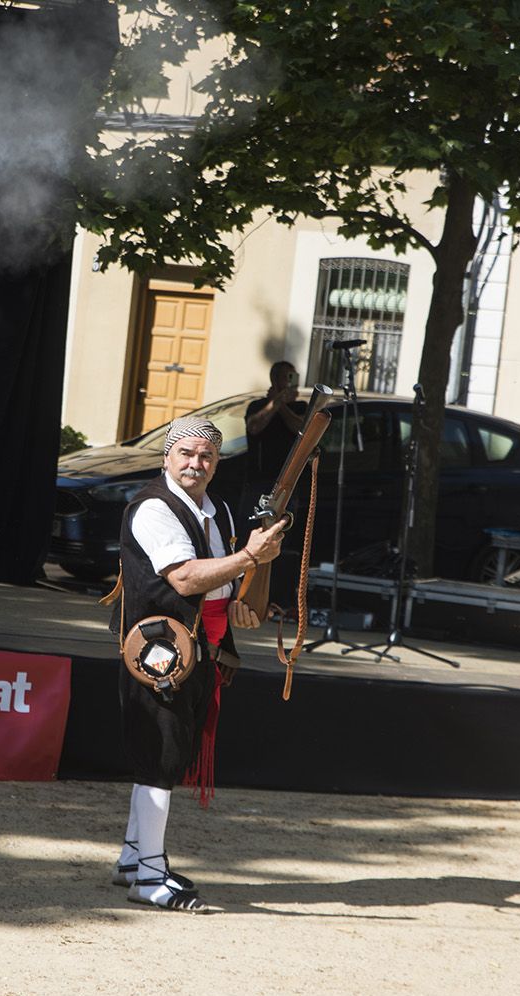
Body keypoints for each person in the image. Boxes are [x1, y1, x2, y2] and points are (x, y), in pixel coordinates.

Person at [108, 415, 289, 911]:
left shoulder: (219, 510)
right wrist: (250, 559)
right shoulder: (152, 508)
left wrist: (242, 599)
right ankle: (148, 876)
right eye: (186, 454)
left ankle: (132, 858)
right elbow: (186, 579)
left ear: (216, 463)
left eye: (206, 456)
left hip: (197, 646)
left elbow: (217, 583)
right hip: (157, 649)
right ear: (167, 457)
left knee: (165, 753)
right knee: (159, 757)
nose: (196, 463)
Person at [240, 361, 307, 611]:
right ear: (274, 379)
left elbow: (300, 429)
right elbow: (254, 426)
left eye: (292, 376)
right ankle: (246, 594)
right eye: (284, 377)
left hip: (288, 484)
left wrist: (283, 405)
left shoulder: (300, 407)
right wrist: (275, 403)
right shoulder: (258, 406)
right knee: (251, 536)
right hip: (259, 483)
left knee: (280, 539)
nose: (289, 381)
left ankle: (273, 598)